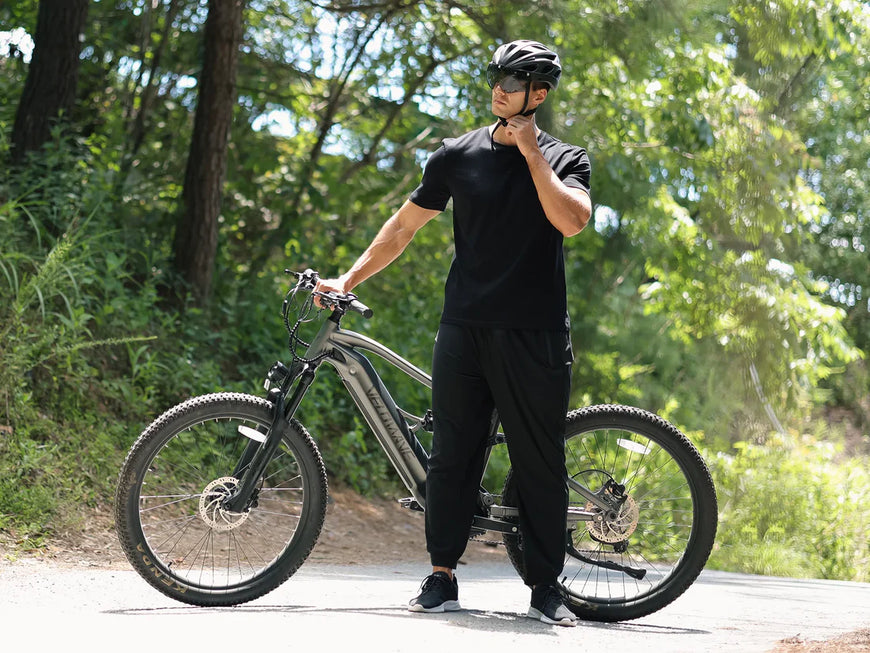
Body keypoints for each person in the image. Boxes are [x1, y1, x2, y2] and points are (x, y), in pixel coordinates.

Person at [315, 39, 591, 627]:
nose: (499, 89)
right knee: (451, 456)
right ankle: (442, 575)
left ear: (539, 94)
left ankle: (545, 587)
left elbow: (571, 220)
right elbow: (403, 227)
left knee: (539, 462)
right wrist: (348, 278)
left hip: (535, 333)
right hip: (464, 328)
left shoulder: (566, 159)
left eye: (512, 82)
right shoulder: (455, 155)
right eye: (496, 77)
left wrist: (531, 154)